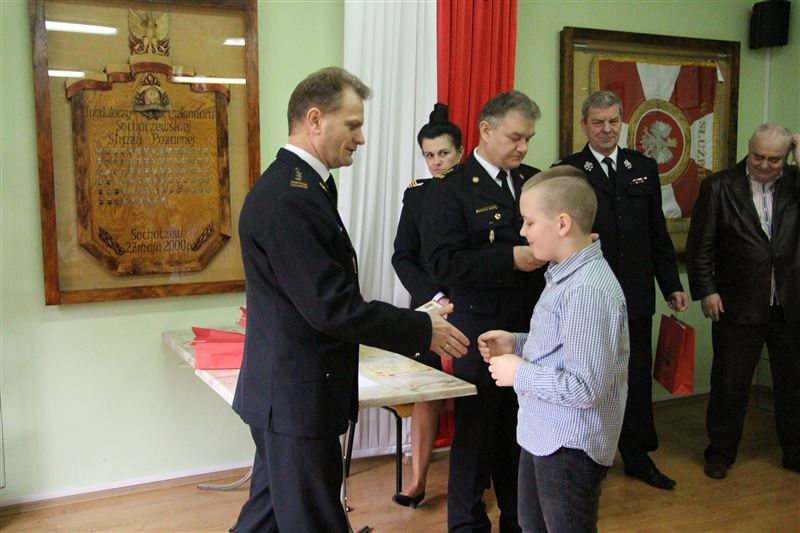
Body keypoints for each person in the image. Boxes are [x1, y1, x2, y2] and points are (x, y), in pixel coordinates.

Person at [232, 66, 469, 533]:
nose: (361, 138)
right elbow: (331, 306)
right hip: (295, 397)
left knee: (268, 516)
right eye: (353, 124)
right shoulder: (291, 197)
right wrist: (420, 329)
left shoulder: (305, 184)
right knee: (315, 520)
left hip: (290, 391)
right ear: (315, 120)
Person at [422, 91, 547, 533]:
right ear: (487, 130)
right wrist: (509, 259)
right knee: (476, 435)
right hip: (478, 330)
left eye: (528, 139)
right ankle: (466, 524)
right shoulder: (450, 188)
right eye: (515, 138)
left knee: (521, 432)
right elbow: (442, 264)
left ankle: (518, 519)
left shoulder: (535, 182)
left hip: (531, 326)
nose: (523, 147)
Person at [479, 165, 629, 533]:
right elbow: (563, 346)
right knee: (532, 525)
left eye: (529, 222)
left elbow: (585, 386)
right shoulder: (564, 274)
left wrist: (518, 373)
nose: (522, 231)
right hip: (543, 433)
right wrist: (517, 343)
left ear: (562, 224)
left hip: (569, 444)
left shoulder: (586, 290)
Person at [557, 90, 688, 490]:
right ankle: (590, 456)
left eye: (613, 121)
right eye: (598, 122)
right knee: (591, 376)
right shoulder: (569, 171)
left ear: (622, 122)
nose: (607, 129)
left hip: (635, 293)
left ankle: (637, 456)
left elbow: (656, 233)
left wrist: (671, 285)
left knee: (634, 377)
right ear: (585, 125)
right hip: (589, 296)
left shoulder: (642, 167)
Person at [685, 125, 800, 480]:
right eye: (758, 156)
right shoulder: (719, 186)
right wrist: (707, 290)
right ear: (748, 150)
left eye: (774, 159)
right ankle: (720, 453)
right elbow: (700, 246)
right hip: (737, 303)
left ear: (787, 157)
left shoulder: (795, 183)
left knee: (792, 384)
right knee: (730, 384)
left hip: (789, 302)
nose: (764, 165)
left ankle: (795, 452)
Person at [390, 102, 464, 508]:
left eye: (444, 153)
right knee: (427, 390)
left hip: (471, 307)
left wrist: (461, 300)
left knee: (477, 392)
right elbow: (403, 255)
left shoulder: (477, 189)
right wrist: (435, 298)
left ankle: (476, 478)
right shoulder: (416, 195)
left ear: (460, 152)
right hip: (430, 307)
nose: (436, 162)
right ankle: (418, 480)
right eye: (429, 155)